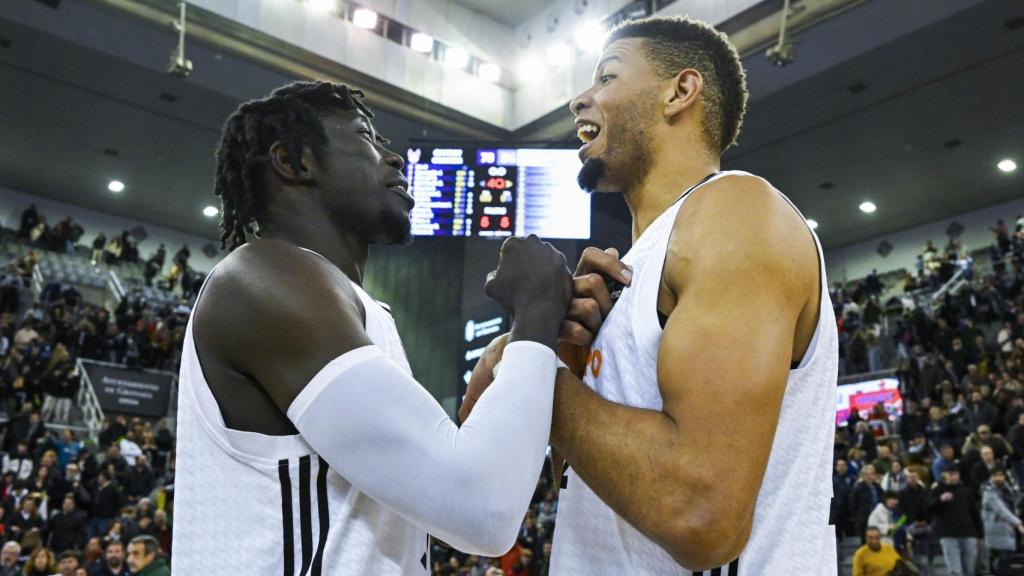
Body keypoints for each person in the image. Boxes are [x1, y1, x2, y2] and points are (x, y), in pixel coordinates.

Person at [468, 15, 837, 574]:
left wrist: (529, 364)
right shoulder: (626, 276)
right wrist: (551, 346)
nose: (579, 100)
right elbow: (484, 515)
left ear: (679, 92)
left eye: (608, 78)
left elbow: (701, 517)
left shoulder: (736, 210)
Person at [171, 81, 573, 574]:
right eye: (366, 136)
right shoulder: (265, 279)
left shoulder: (346, 302)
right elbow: (484, 511)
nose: (396, 158)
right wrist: (536, 307)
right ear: (294, 162)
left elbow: (455, 495)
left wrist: (514, 362)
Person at [930, 463, 982, 576]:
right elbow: (928, 508)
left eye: (956, 474)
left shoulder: (966, 491)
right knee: (955, 571)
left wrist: (980, 535)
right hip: (948, 534)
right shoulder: (938, 490)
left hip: (968, 533)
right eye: (950, 474)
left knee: (969, 569)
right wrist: (940, 500)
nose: (953, 477)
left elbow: (974, 513)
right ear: (944, 475)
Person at [981, 466, 1024, 576]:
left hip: (1008, 530)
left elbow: (1015, 502)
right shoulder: (988, 492)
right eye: (995, 476)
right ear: (991, 477)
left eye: (1000, 475)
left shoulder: (1008, 488)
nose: (998, 478)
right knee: (1002, 561)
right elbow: (1001, 510)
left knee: (1007, 559)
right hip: (995, 530)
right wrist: (1018, 523)